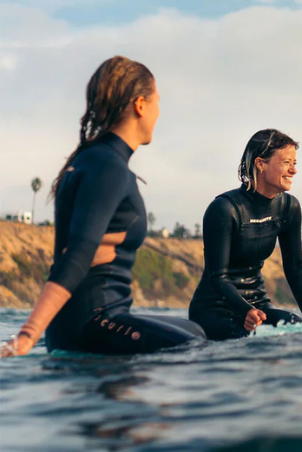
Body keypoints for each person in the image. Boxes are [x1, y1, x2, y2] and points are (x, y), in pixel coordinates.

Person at [1, 56, 205, 357]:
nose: (160, 111)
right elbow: (77, 256)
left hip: (95, 320)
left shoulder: (95, 160)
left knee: (196, 331)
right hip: (91, 323)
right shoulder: (107, 168)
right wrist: (28, 335)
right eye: (157, 101)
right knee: (192, 348)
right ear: (140, 105)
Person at [189, 129, 302, 340]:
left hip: (258, 306)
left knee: (300, 330)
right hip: (215, 309)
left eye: (295, 163)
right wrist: (245, 310)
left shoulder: (289, 207)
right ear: (261, 164)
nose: (293, 170)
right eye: (287, 162)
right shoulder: (225, 209)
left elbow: (295, 267)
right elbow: (218, 277)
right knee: (253, 338)